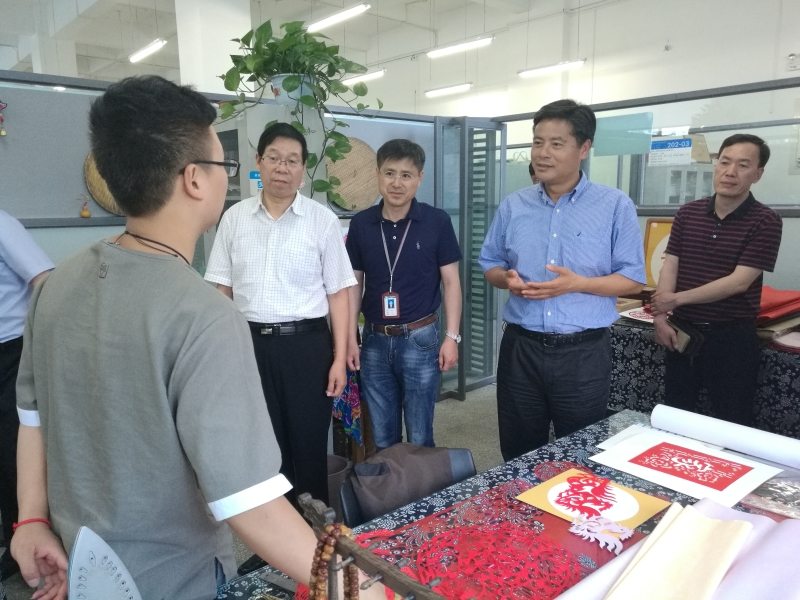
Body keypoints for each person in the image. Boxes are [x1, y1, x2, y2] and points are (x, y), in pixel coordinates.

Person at [11, 76, 383, 600]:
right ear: (194, 179)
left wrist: (30, 519)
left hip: (80, 568)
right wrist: (360, 588)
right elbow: (250, 502)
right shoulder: (203, 314)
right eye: (222, 166)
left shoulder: (56, 286)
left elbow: (32, 420)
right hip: (174, 577)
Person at [479, 99, 645, 462]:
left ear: (584, 148)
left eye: (556, 143)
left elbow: (633, 280)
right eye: (538, 142)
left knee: (579, 453)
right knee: (519, 452)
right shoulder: (514, 205)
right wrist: (506, 279)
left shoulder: (614, 205)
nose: (543, 153)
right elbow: (490, 264)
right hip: (521, 349)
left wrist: (577, 284)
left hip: (583, 353)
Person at [205, 122, 355, 507]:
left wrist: (339, 359)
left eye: (292, 160)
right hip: (250, 346)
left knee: (309, 445)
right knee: (264, 448)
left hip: (307, 347)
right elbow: (221, 291)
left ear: (303, 168)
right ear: (259, 161)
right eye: (274, 158)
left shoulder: (321, 221)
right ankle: (277, 534)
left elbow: (339, 294)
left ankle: (314, 534)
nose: (282, 168)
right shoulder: (234, 218)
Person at [651, 134, 782, 426]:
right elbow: (670, 266)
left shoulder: (766, 220)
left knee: (732, 422)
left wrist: (675, 300)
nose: (730, 172)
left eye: (743, 165)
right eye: (724, 162)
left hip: (731, 339)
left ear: (758, 174)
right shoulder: (688, 213)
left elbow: (739, 282)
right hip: (682, 333)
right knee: (676, 419)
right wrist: (660, 318)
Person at [345, 139, 462, 451]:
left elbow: (451, 282)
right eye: (389, 173)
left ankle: (422, 485)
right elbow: (354, 284)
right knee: (383, 438)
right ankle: (391, 484)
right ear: (377, 175)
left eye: (406, 175)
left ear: (419, 178)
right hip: (373, 340)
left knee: (420, 436)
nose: (397, 183)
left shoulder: (437, 222)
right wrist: (350, 338)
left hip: (420, 339)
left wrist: (452, 337)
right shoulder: (361, 223)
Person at [0, 211, 53, 582]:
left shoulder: (1, 224)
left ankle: (30, 542)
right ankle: (14, 542)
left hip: (11, 351)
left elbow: (45, 279)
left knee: (13, 450)